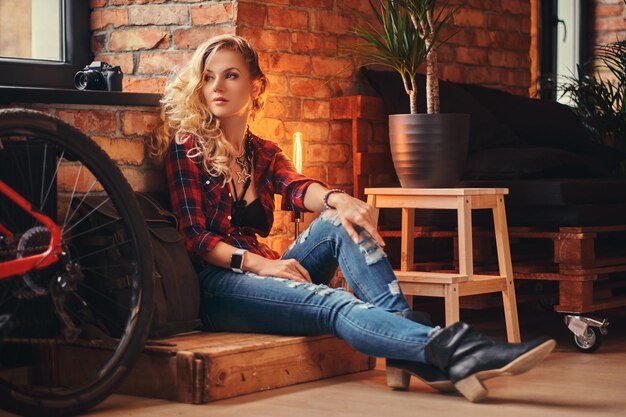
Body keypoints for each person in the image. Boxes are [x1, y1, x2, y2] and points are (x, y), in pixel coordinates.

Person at [151, 34, 556, 403]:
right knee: (335, 301)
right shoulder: (188, 148)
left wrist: (339, 199)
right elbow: (195, 239)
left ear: (255, 86)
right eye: (208, 77)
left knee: (337, 220)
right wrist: (263, 264)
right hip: (222, 285)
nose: (217, 87)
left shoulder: (262, 150)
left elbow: (296, 187)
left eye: (231, 75)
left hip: (266, 268)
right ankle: (459, 349)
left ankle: (406, 347)